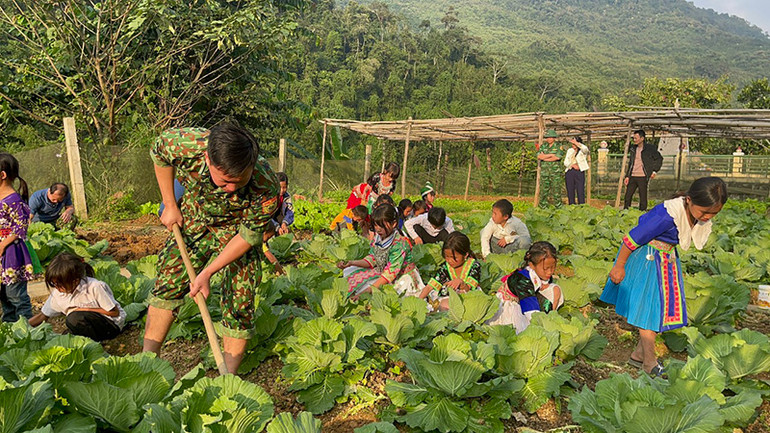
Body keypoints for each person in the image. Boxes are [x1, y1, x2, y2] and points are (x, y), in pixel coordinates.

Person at [143, 123, 280, 374]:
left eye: (240, 181)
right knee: (169, 281)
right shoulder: (187, 144)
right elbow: (159, 152)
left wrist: (207, 272)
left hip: (236, 229)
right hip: (195, 217)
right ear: (207, 159)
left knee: (240, 298)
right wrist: (170, 204)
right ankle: (147, 362)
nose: (232, 189)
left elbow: (248, 236)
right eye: (225, 181)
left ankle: (228, 377)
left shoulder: (266, 185)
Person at [601, 177, 727, 376]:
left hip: (665, 260)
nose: (707, 217)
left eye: (713, 213)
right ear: (689, 200)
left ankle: (639, 355)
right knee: (649, 311)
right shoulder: (667, 215)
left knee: (660, 309)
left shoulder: (693, 213)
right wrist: (619, 266)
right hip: (647, 260)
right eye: (704, 212)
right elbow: (632, 239)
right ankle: (649, 363)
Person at [28, 252, 126, 341]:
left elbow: (114, 312)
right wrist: (22, 327)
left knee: (74, 318)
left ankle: (92, 343)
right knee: (64, 338)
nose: (57, 287)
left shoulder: (95, 287)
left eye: (60, 284)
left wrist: (85, 309)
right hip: (86, 325)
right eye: (54, 284)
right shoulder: (58, 294)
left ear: (75, 281)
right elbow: (43, 316)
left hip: (110, 325)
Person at [337, 204, 423, 300]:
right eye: (375, 225)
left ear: (394, 224)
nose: (377, 229)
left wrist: (365, 293)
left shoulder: (399, 244)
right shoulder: (378, 237)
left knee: (376, 293)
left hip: (399, 276)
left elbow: (390, 274)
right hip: (382, 270)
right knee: (349, 270)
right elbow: (372, 258)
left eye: (381, 225)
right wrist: (351, 263)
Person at [487, 241, 563, 333]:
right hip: (510, 309)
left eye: (553, 267)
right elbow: (531, 311)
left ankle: (550, 316)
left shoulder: (539, 273)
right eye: (546, 268)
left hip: (526, 301)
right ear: (531, 265)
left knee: (555, 289)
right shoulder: (522, 280)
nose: (550, 272)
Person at [0, 153, 34, 322]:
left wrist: (2, 245)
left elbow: (21, 227)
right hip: (2, 252)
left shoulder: (13, 199)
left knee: (16, 295)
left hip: (11, 251)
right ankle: (10, 328)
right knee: (4, 296)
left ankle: (26, 328)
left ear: (2, 175)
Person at [418, 232, 481, 312]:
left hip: (469, 297)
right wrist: (418, 301)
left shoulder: (474, 266)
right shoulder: (445, 267)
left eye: (453, 257)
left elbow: (468, 289)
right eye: (447, 256)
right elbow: (430, 286)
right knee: (445, 305)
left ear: (465, 255)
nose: (449, 260)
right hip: (449, 299)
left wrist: (461, 284)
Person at [623, 130, 663, 211]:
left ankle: (642, 213)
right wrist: (627, 176)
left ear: (642, 138)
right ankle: (625, 212)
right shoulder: (633, 149)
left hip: (643, 176)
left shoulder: (650, 149)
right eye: (633, 138)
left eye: (636, 138)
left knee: (643, 197)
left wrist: (654, 171)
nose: (634, 140)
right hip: (633, 176)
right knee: (628, 196)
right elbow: (631, 163)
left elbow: (659, 159)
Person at [537, 129, 564, 208]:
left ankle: (558, 207)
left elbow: (557, 157)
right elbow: (539, 156)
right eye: (547, 137)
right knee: (543, 191)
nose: (549, 139)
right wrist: (551, 155)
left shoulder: (559, 146)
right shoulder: (543, 146)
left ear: (554, 138)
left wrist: (544, 157)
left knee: (556, 191)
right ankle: (542, 207)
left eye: (550, 137)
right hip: (545, 172)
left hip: (555, 173)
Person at [564, 136, 590, 205]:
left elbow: (585, 149)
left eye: (574, 143)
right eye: (572, 143)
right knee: (570, 189)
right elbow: (565, 162)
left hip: (579, 171)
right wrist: (572, 165)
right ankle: (571, 204)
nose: (573, 145)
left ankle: (581, 205)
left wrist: (577, 143)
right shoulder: (570, 150)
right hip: (570, 170)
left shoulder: (582, 150)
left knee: (580, 189)